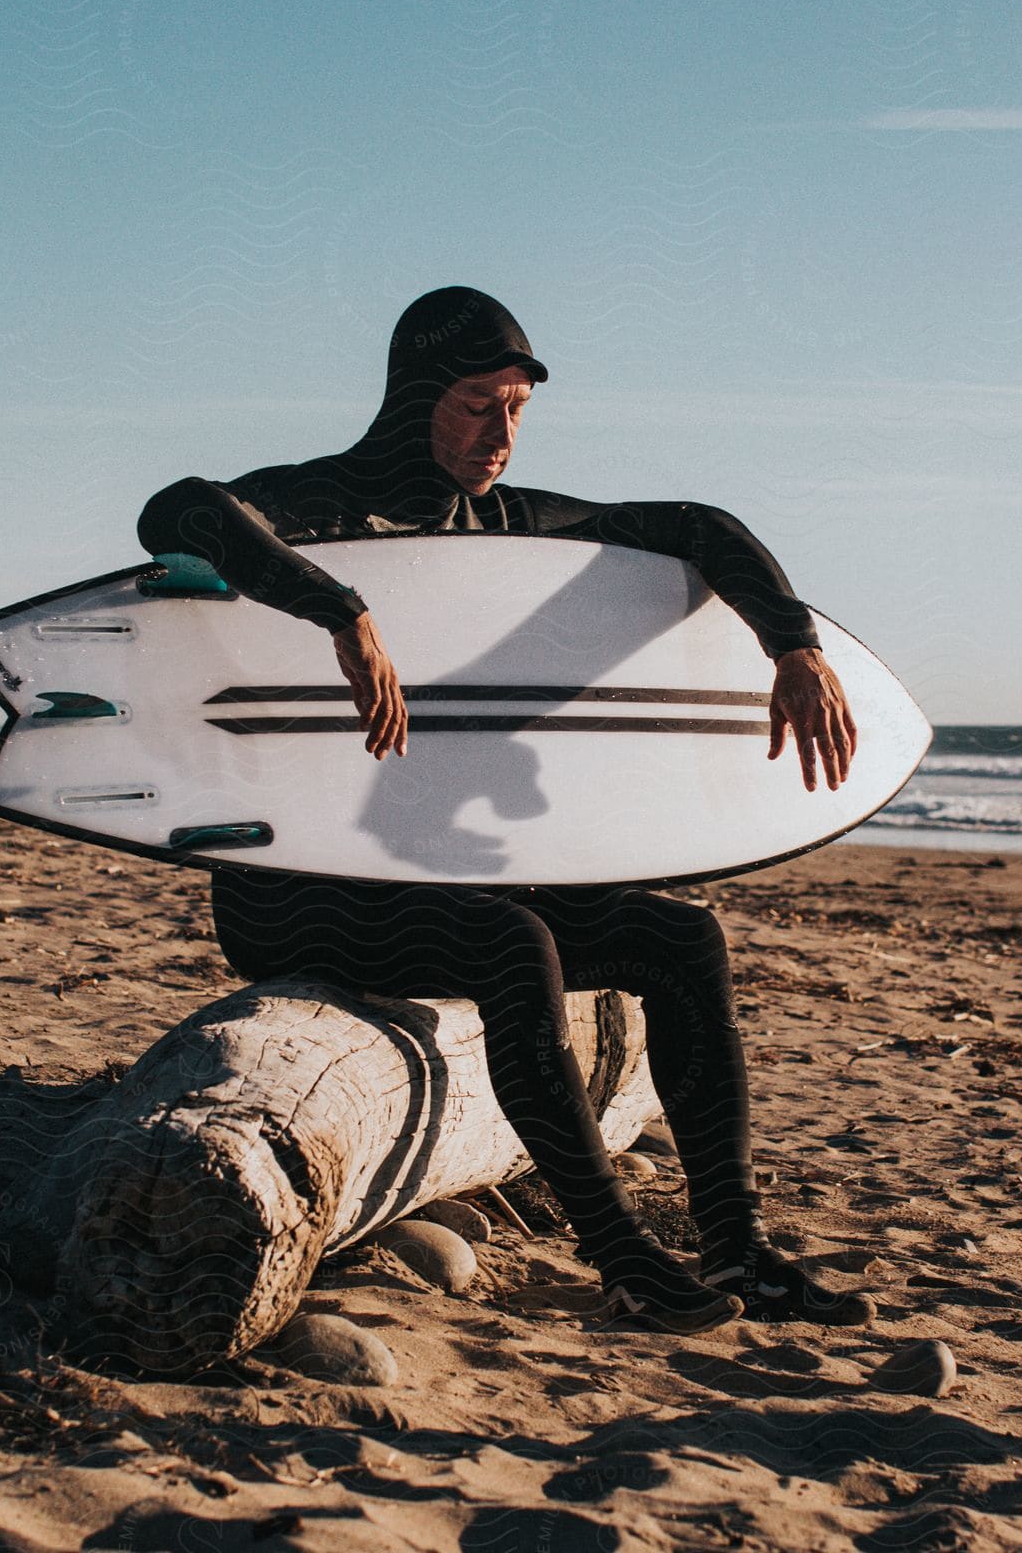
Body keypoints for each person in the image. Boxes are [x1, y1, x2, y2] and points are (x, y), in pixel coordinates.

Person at [138, 286, 868, 1334]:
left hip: (435, 877)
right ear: (415, 398)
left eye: (518, 407)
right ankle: (620, 1257)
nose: (502, 432)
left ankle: (736, 1249)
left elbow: (697, 527)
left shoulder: (513, 528)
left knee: (681, 938)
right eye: (479, 403)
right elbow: (181, 511)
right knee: (513, 940)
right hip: (289, 891)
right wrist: (339, 611)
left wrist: (789, 643)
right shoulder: (317, 504)